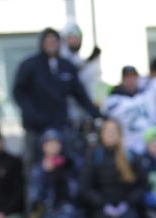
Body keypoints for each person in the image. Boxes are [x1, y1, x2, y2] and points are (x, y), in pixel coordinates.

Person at [12, 27, 102, 167]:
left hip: (60, 125)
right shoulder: (30, 65)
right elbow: (19, 92)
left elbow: (80, 94)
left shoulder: (66, 66)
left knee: (66, 163)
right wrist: (31, 115)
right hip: (36, 128)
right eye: (48, 41)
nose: (51, 44)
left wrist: (96, 113)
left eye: (54, 41)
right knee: (36, 165)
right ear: (42, 43)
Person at [79, 118, 145, 218]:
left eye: (114, 131)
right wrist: (102, 204)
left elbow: (141, 184)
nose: (111, 135)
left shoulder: (130, 156)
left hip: (126, 205)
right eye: (107, 131)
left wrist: (127, 203)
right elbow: (85, 187)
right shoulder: (94, 156)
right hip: (102, 207)